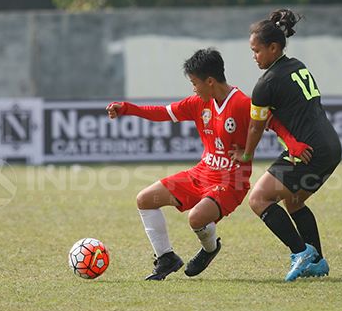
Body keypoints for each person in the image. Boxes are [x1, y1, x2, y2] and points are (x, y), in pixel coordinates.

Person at [107, 48, 308, 281]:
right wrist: (127, 109)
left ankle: (210, 249)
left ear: (210, 81)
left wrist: (293, 144)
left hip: (232, 180)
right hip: (201, 172)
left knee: (196, 218)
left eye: (194, 82)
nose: (193, 88)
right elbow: (162, 113)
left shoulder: (242, 103)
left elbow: (273, 122)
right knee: (145, 199)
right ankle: (166, 258)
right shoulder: (198, 103)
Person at [230, 9, 342, 282]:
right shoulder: (298, 66)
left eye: (257, 51)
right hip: (331, 147)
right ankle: (317, 261)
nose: (254, 56)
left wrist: (246, 154)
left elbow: (257, 125)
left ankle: (300, 252)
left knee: (258, 199)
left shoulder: (266, 83)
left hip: (310, 151)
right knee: (293, 201)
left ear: (273, 47)